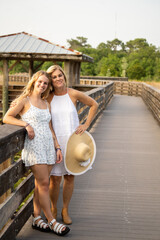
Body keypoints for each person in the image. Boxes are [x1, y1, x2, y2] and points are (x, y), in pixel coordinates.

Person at [3, 70, 70, 236]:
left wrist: (57, 146)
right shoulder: (23, 100)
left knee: (41, 184)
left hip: (48, 146)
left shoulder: (45, 102)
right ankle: (52, 221)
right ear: (34, 82)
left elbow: (49, 126)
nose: (42, 85)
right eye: (40, 82)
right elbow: (7, 117)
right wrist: (26, 125)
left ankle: (36, 217)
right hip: (35, 147)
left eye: (45, 83)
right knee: (44, 184)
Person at [46, 65, 98, 225]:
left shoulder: (72, 93)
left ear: (64, 76)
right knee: (54, 179)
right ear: (50, 81)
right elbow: (30, 100)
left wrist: (86, 124)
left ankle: (65, 209)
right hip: (55, 142)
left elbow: (93, 104)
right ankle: (53, 209)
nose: (58, 79)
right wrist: (17, 104)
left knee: (69, 177)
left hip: (73, 141)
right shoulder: (48, 98)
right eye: (54, 77)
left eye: (60, 75)